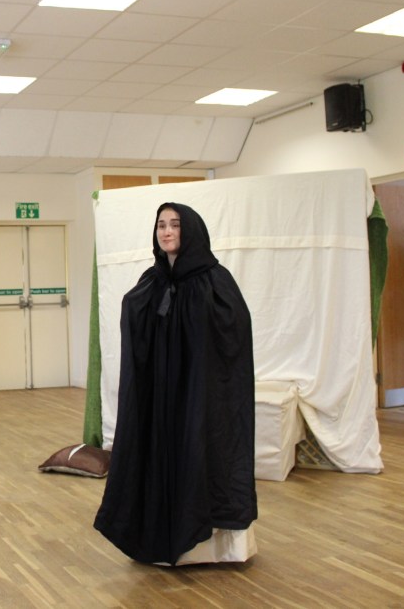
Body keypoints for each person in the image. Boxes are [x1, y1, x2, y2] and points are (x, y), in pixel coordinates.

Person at [94, 202, 257, 566]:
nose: (167, 232)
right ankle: (160, 539)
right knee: (161, 452)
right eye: (161, 225)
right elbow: (137, 320)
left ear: (191, 230)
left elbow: (233, 335)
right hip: (161, 393)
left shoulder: (214, 280)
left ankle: (209, 547)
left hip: (200, 393)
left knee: (200, 453)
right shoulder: (153, 280)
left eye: (175, 225)